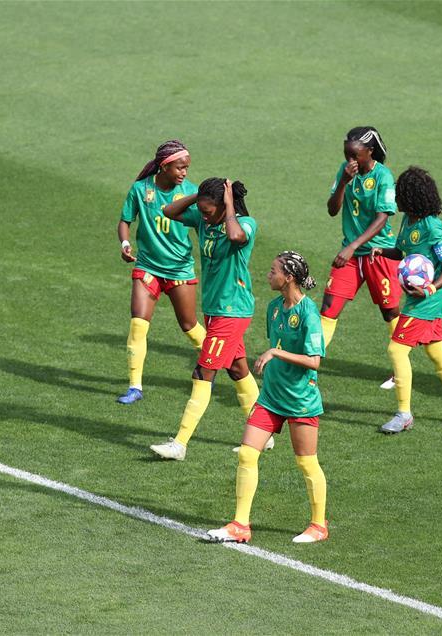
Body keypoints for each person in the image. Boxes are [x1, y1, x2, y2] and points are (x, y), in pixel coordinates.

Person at [208, 252, 328, 544]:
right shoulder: (274, 308)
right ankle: (240, 524)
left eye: (273, 270)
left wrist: (274, 353)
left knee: (306, 462)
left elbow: (314, 361)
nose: (267, 274)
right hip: (271, 397)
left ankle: (318, 525)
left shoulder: (309, 313)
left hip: (300, 400)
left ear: (288, 277)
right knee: (248, 454)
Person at [149, 179, 260, 460]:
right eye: (202, 209)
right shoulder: (203, 217)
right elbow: (169, 211)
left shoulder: (245, 224)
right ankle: (263, 435)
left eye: (209, 210)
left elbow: (236, 237)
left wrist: (230, 207)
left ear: (225, 205)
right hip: (215, 308)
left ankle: (180, 444)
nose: (204, 215)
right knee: (237, 370)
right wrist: (197, 196)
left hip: (232, 311)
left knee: (202, 374)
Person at [369, 167, 442, 433]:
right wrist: (383, 250)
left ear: (413, 197)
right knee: (436, 350)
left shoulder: (432, 226)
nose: (397, 200)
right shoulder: (408, 220)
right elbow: (404, 251)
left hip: (429, 297)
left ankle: (403, 414)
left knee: (396, 350)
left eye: (401, 195)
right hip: (419, 295)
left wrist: (429, 289)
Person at [116, 140, 207, 404]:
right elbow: (124, 221)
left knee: (189, 326)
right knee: (138, 324)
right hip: (148, 267)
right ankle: (135, 386)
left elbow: (205, 224)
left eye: (187, 168)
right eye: (180, 167)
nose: (184, 173)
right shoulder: (140, 190)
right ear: (165, 166)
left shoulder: (191, 193)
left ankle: (224, 361)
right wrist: (125, 243)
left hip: (179, 269)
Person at [321, 127, 401, 389]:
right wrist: (343, 181)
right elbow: (333, 210)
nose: (350, 160)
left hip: (379, 253)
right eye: (347, 154)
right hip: (352, 255)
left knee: (390, 312)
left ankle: (399, 370)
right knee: (329, 309)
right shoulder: (345, 171)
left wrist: (353, 246)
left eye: (354, 155)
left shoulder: (383, 177)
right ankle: (307, 365)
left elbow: (382, 218)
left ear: (370, 151)